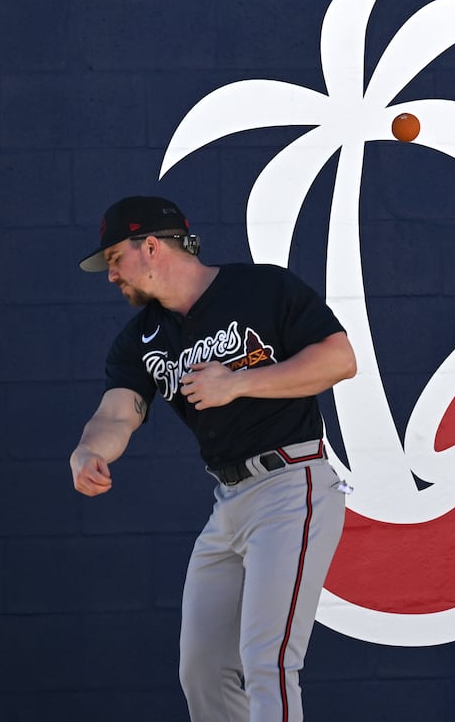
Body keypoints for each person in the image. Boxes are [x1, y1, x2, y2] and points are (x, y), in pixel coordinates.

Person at [69, 195, 357, 722]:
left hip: (291, 485)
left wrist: (238, 383)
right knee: (201, 669)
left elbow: (339, 359)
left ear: (151, 246)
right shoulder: (139, 340)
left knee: (267, 661)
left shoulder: (262, 288)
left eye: (115, 258)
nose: (111, 276)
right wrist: (90, 450)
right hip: (228, 504)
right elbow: (116, 414)